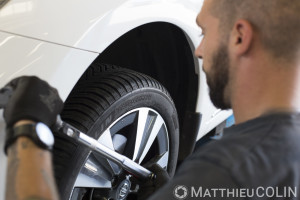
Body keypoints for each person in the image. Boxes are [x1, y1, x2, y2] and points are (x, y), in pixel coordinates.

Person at [2, 0, 300, 199]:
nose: (198, 50)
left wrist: (29, 130)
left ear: (239, 37)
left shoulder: (227, 173)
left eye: (205, 32)